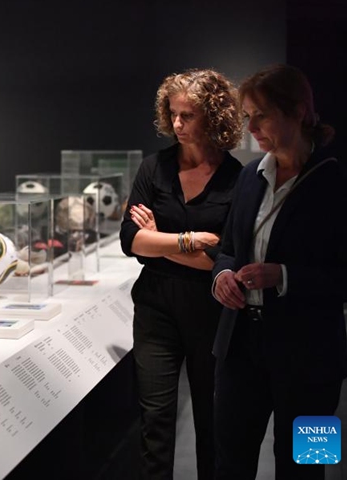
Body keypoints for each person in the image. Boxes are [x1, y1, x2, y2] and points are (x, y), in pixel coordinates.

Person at [212, 64, 347, 479]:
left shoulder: (340, 182)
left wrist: (285, 276)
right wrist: (222, 276)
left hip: (313, 360)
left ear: (298, 111)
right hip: (240, 349)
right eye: (247, 116)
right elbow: (227, 250)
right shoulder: (248, 177)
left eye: (261, 115)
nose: (251, 127)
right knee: (230, 464)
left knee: (308, 467)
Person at [121, 69, 243, 479]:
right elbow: (130, 241)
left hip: (211, 312)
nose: (176, 124)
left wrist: (159, 241)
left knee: (213, 418)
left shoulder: (237, 178)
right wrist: (189, 241)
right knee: (155, 419)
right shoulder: (153, 168)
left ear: (213, 117)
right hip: (155, 309)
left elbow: (225, 259)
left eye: (187, 115)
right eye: (172, 114)